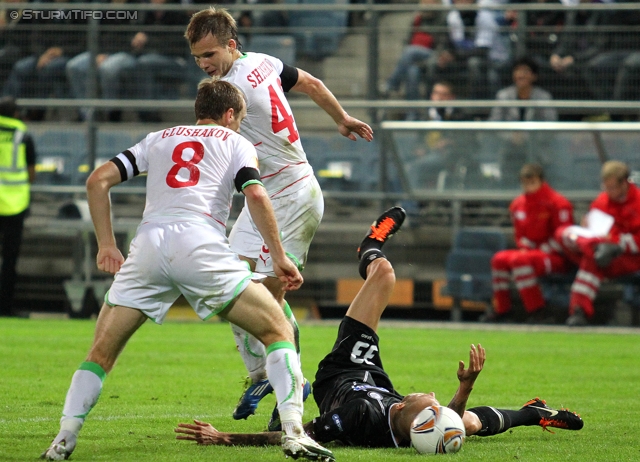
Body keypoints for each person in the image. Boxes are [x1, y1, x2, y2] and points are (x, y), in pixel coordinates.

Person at [40, 80, 334, 462]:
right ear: (230, 114)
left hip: (147, 249)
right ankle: (295, 433)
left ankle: (63, 439)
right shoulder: (236, 142)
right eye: (240, 118)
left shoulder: (158, 138)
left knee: (100, 353)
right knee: (277, 328)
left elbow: (98, 180)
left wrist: (107, 245)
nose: (240, 124)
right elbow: (257, 193)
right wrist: (279, 257)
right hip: (199, 246)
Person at [175, 206, 584, 450]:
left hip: (344, 370)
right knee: (470, 425)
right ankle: (532, 413)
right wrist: (465, 390)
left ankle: (371, 248)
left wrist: (224, 437)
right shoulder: (418, 428)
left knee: (383, 273)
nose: (432, 396)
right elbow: (449, 422)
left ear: (409, 412)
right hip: (377, 378)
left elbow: (297, 434)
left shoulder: (356, 417)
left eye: (432, 403)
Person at [185, 7, 374, 422]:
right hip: (270, 196)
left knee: (259, 294)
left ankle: (283, 378)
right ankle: (274, 377)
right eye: (198, 57)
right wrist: (341, 118)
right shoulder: (263, 63)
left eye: (210, 54)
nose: (204, 65)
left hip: (290, 196)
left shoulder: (229, 94)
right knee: (231, 284)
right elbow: (312, 82)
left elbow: (215, 145)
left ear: (231, 46)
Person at [482, 163, 574, 324]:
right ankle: (503, 310)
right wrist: (526, 247)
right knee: (499, 259)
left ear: (542, 181)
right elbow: (520, 237)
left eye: (532, 182)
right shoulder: (517, 205)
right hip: (529, 252)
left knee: (520, 261)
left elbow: (563, 238)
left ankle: (538, 311)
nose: (528, 187)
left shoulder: (558, 203)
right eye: (525, 183)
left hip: (556, 257)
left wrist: (538, 249)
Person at [555, 161, 640, 326]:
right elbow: (596, 226)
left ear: (625, 183)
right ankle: (591, 246)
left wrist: (617, 245)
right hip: (599, 249)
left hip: (629, 258)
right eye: (606, 187)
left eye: (612, 187)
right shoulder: (602, 200)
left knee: (591, 259)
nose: (608, 192)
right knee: (564, 233)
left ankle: (579, 310)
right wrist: (587, 226)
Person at [489, 57, 557, 187]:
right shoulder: (503, 96)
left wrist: (528, 137)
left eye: (525, 72)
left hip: (537, 150)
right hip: (510, 149)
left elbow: (551, 125)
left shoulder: (543, 97)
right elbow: (495, 123)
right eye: (517, 71)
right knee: (508, 180)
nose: (520, 75)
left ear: (534, 76)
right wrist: (511, 136)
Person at [0, 96, 36, 317]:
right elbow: (31, 173)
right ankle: (4, 308)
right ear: (16, 113)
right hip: (15, 204)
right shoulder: (23, 135)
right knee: (10, 260)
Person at [381, 0, 445, 118]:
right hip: (417, 59)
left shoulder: (442, 17)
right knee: (412, 71)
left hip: (434, 55)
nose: (426, 4)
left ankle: (392, 84)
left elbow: (442, 41)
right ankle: (413, 113)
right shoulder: (418, 18)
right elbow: (410, 38)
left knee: (411, 51)